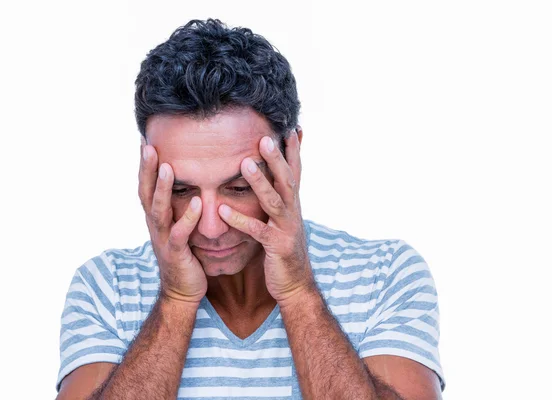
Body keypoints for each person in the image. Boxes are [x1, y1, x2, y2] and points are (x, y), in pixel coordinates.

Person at [56, 18, 445, 400]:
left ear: (290, 158)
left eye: (240, 187)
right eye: (181, 189)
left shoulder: (383, 274)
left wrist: (297, 291)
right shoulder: (107, 287)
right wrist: (175, 300)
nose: (209, 227)